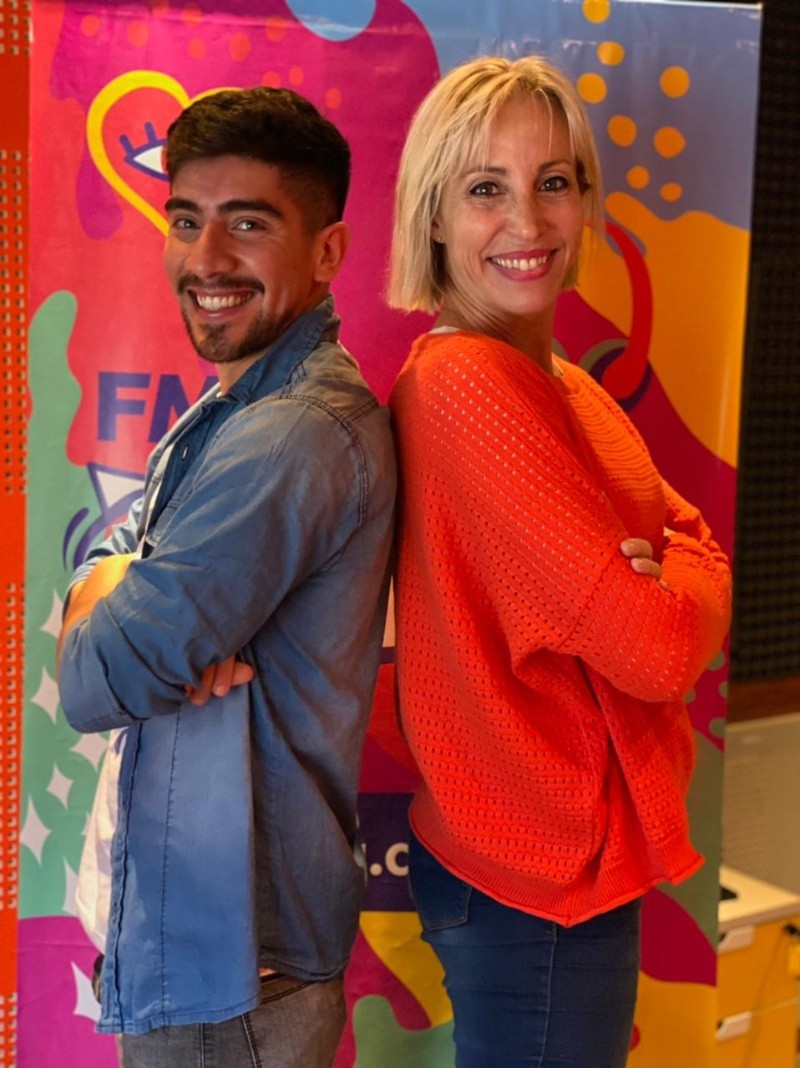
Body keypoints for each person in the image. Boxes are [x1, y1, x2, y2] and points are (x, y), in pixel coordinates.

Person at [387, 55, 731, 1067]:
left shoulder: (566, 387)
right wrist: (662, 588)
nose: (527, 221)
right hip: (531, 885)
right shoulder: (467, 386)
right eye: (484, 189)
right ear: (433, 216)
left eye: (552, 182)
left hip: (559, 869)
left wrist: (674, 580)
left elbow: (700, 549)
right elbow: (659, 650)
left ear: (584, 200)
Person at [57, 86, 396, 1067]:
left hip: (232, 980)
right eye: (186, 221)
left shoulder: (292, 433)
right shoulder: (238, 407)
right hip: (203, 952)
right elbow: (99, 579)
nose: (205, 259)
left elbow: (93, 679)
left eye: (247, 224)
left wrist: (124, 609)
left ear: (326, 252)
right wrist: (118, 590)